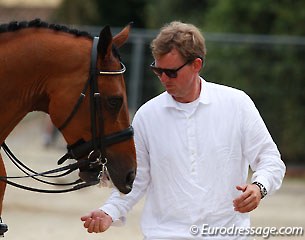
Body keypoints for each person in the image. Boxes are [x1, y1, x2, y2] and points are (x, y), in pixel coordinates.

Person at [81, 21, 286, 239]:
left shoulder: (237, 104)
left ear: (196, 65)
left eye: (171, 72)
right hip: (164, 235)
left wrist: (259, 187)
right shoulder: (147, 115)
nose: (163, 78)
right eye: (157, 70)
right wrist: (109, 211)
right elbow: (137, 179)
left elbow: (270, 160)